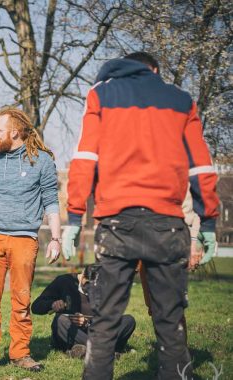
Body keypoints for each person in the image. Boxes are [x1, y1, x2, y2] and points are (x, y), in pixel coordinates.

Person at [62, 52, 220, 380]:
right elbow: (201, 165)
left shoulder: (101, 95)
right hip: (167, 224)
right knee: (170, 322)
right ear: (155, 70)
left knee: (105, 322)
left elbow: (85, 158)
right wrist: (207, 221)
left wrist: (75, 217)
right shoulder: (180, 100)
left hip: (116, 223)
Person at [0, 108, 61, 372]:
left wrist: (56, 237)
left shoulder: (41, 161)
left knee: (21, 299)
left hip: (24, 240)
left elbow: (51, 200)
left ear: (14, 132)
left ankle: (21, 354)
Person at [32, 265, 135, 358]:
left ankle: (85, 350)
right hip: (70, 332)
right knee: (60, 320)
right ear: (82, 275)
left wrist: (87, 323)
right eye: (88, 284)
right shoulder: (63, 281)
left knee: (128, 321)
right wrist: (52, 304)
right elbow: (35, 307)